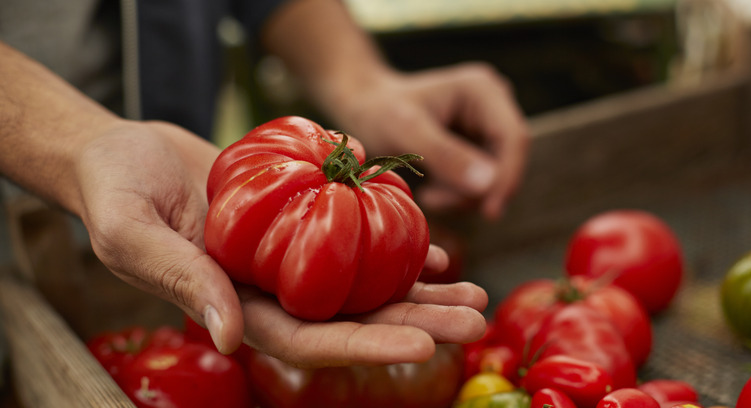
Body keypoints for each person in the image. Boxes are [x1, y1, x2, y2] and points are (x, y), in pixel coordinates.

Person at [0, 0, 529, 367]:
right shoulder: (297, 167)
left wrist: (361, 83)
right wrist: (75, 140)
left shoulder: (358, 196)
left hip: (164, 192)